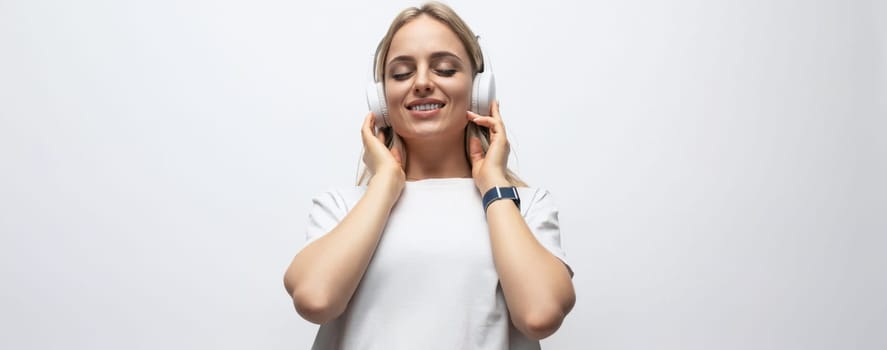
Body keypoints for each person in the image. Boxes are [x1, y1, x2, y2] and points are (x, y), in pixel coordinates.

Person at [283, 2, 575, 349]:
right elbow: (315, 299)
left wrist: (494, 186)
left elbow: (540, 313)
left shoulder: (523, 206)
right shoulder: (342, 206)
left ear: (480, 89)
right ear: (380, 99)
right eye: (402, 73)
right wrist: (385, 184)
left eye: (446, 70)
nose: (421, 83)